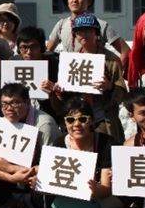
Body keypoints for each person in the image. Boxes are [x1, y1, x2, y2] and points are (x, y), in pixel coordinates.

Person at [0, 83, 61, 208]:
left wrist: (12, 168)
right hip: (14, 178)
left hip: (33, 177)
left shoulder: (45, 125)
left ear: (27, 103)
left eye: (15, 103)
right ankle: (11, 207)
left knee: (41, 183)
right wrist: (11, 177)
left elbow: (52, 167)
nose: (9, 109)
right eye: (4, 104)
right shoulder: (2, 122)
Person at [47, 97, 123, 208]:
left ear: (92, 121)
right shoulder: (60, 144)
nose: (76, 125)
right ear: (64, 123)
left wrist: (95, 190)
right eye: (70, 120)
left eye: (82, 119)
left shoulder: (106, 143)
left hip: (102, 195)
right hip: (73, 194)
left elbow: (106, 189)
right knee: (42, 193)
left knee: (105, 207)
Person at [45, 13, 127, 144]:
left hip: (103, 120)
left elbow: (122, 93)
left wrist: (110, 87)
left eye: (88, 30)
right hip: (78, 120)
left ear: (96, 33)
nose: (84, 35)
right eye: (79, 32)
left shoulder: (111, 60)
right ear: (75, 36)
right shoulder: (71, 60)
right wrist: (60, 93)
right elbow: (65, 100)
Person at [46, 0, 130, 65]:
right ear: (67, 2)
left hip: (96, 75)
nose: (74, 0)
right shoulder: (61, 25)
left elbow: (125, 52)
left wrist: (114, 74)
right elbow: (48, 52)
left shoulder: (101, 25)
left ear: (89, 1)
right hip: (71, 75)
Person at [16, 26, 60, 123]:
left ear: (42, 47)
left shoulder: (55, 66)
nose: (29, 52)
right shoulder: (12, 65)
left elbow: (60, 109)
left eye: (33, 47)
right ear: (18, 49)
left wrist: (53, 94)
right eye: (24, 47)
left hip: (49, 119)